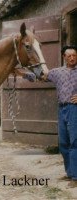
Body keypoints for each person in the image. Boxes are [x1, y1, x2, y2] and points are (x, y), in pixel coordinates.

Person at [42, 45, 77, 188]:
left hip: (74, 109)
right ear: (64, 57)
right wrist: (21, 73)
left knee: (74, 142)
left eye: (74, 55)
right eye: (69, 56)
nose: (72, 58)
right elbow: (41, 76)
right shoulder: (57, 72)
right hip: (61, 108)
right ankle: (69, 172)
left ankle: (75, 177)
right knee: (63, 143)